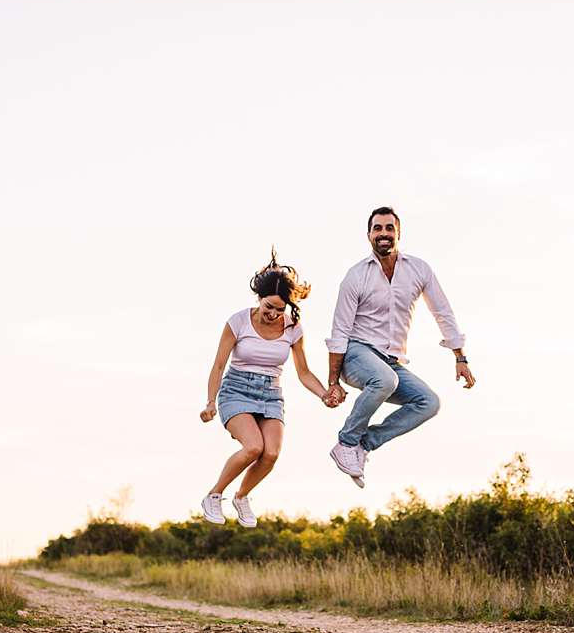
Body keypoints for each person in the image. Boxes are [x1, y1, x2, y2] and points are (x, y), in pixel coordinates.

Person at [324, 207, 475, 487]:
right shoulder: (356, 276)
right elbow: (340, 331)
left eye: (389, 228)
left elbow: (442, 312)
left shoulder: (419, 269)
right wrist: (333, 381)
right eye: (377, 228)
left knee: (429, 403)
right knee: (385, 379)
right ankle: (346, 441)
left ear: (398, 233)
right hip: (357, 354)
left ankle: (362, 445)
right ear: (369, 235)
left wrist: (460, 357)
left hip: (391, 361)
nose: (383, 234)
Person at [198, 253, 334, 527]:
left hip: (271, 394)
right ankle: (214, 495)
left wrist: (324, 394)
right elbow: (219, 365)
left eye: (279, 310)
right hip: (236, 390)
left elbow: (303, 372)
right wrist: (211, 401)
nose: (272, 314)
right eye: (268, 306)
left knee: (271, 453)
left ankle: (242, 496)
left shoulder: (293, 329)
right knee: (253, 447)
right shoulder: (238, 322)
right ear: (259, 298)